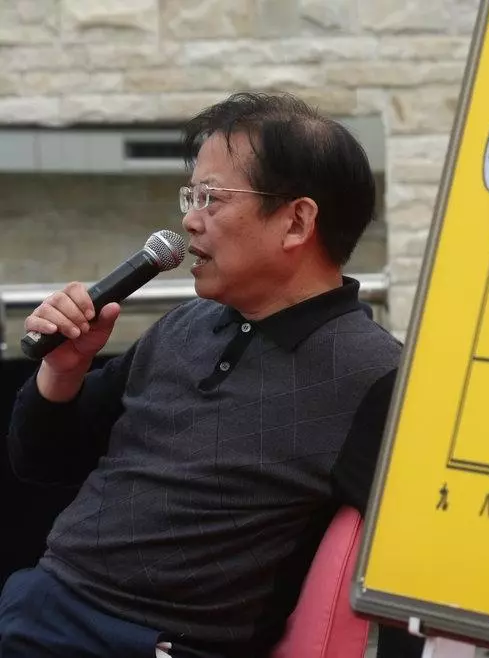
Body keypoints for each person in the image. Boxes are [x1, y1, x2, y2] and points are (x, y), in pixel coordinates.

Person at [1, 92, 424, 658]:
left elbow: (413, 572)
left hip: (146, 643)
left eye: (211, 198)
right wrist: (63, 371)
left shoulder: (373, 375)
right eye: (190, 196)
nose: (189, 220)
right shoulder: (185, 327)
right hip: (37, 604)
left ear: (297, 221)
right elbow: (40, 462)